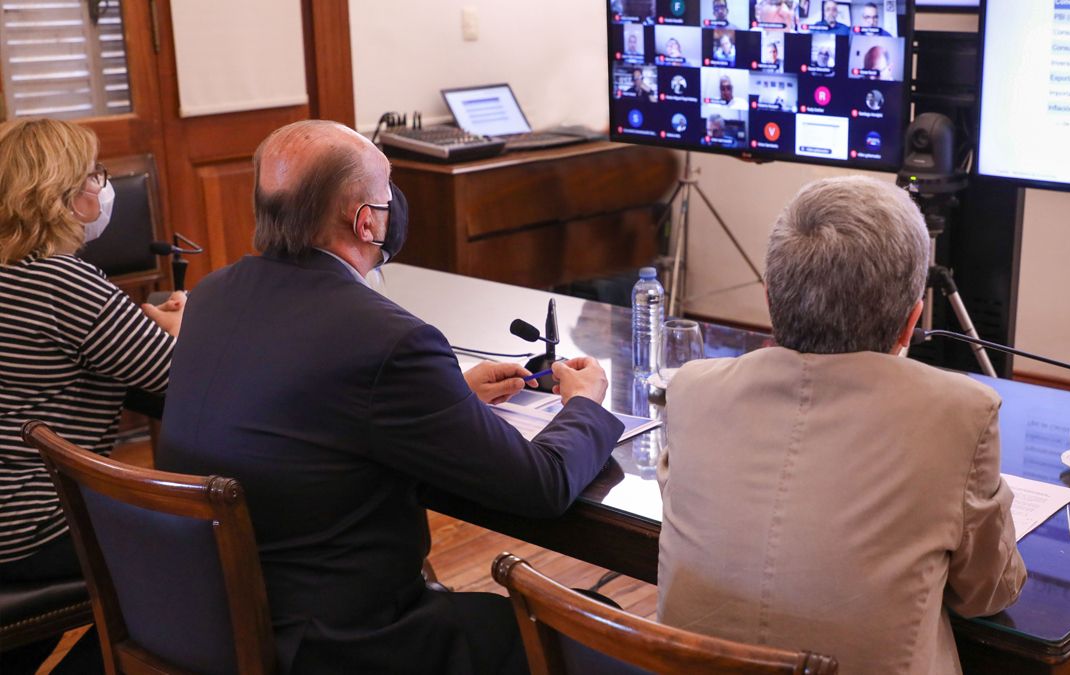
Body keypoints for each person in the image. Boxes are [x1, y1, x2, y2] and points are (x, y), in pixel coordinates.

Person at [156, 120, 624, 674]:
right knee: (598, 630)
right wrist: (585, 405)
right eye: (387, 197)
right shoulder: (390, 340)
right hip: (340, 646)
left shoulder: (211, 296)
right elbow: (540, 485)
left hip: (207, 619)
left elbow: (314, 409)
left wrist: (448, 395)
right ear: (365, 221)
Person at [657, 176, 1026, 675]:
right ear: (911, 321)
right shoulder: (961, 413)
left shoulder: (690, 390)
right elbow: (988, 592)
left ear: (770, 300)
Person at [0, 118, 185, 673]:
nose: (100, 189)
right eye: (94, 176)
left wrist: (142, 327)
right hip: (34, 522)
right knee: (196, 571)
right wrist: (182, 329)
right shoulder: (63, 279)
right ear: (60, 193)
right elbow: (181, 376)